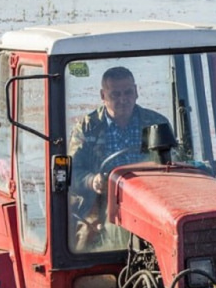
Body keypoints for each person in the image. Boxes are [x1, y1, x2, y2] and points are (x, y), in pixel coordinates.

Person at [68, 66, 170, 250]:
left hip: (151, 200)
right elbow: (69, 174)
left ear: (136, 92)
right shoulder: (87, 128)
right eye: (115, 94)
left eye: (128, 92)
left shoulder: (157, 124)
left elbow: (175, 164)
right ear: (103, 95)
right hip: (101, 202)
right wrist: (93, 181)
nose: (123, 100)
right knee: (82, 246)